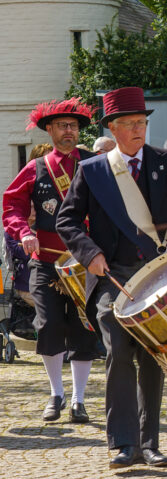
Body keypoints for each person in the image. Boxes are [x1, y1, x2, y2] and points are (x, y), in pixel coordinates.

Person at [56, 86, 167, 470]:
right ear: (114, 128)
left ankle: (148, 442)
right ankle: (123, 443)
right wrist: (91, 255)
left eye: (142, 122)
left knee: (154, 355)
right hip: (111, 276)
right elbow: (67, 220)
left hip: (157, 273)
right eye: (130, 124)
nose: (139, 130)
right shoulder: (92, 170)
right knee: (119, 352)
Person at [2, 98, 98, 423]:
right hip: (45, 261)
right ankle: (56, 393)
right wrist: (21, 231)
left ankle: (79, 400)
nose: (68, 131)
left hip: (86, 262)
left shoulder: (95, 164)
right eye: (62, 126)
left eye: (73, 126)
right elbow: (11, 205)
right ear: (50, 130)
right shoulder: (36, 168)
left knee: (84, 328)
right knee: (50, 325)